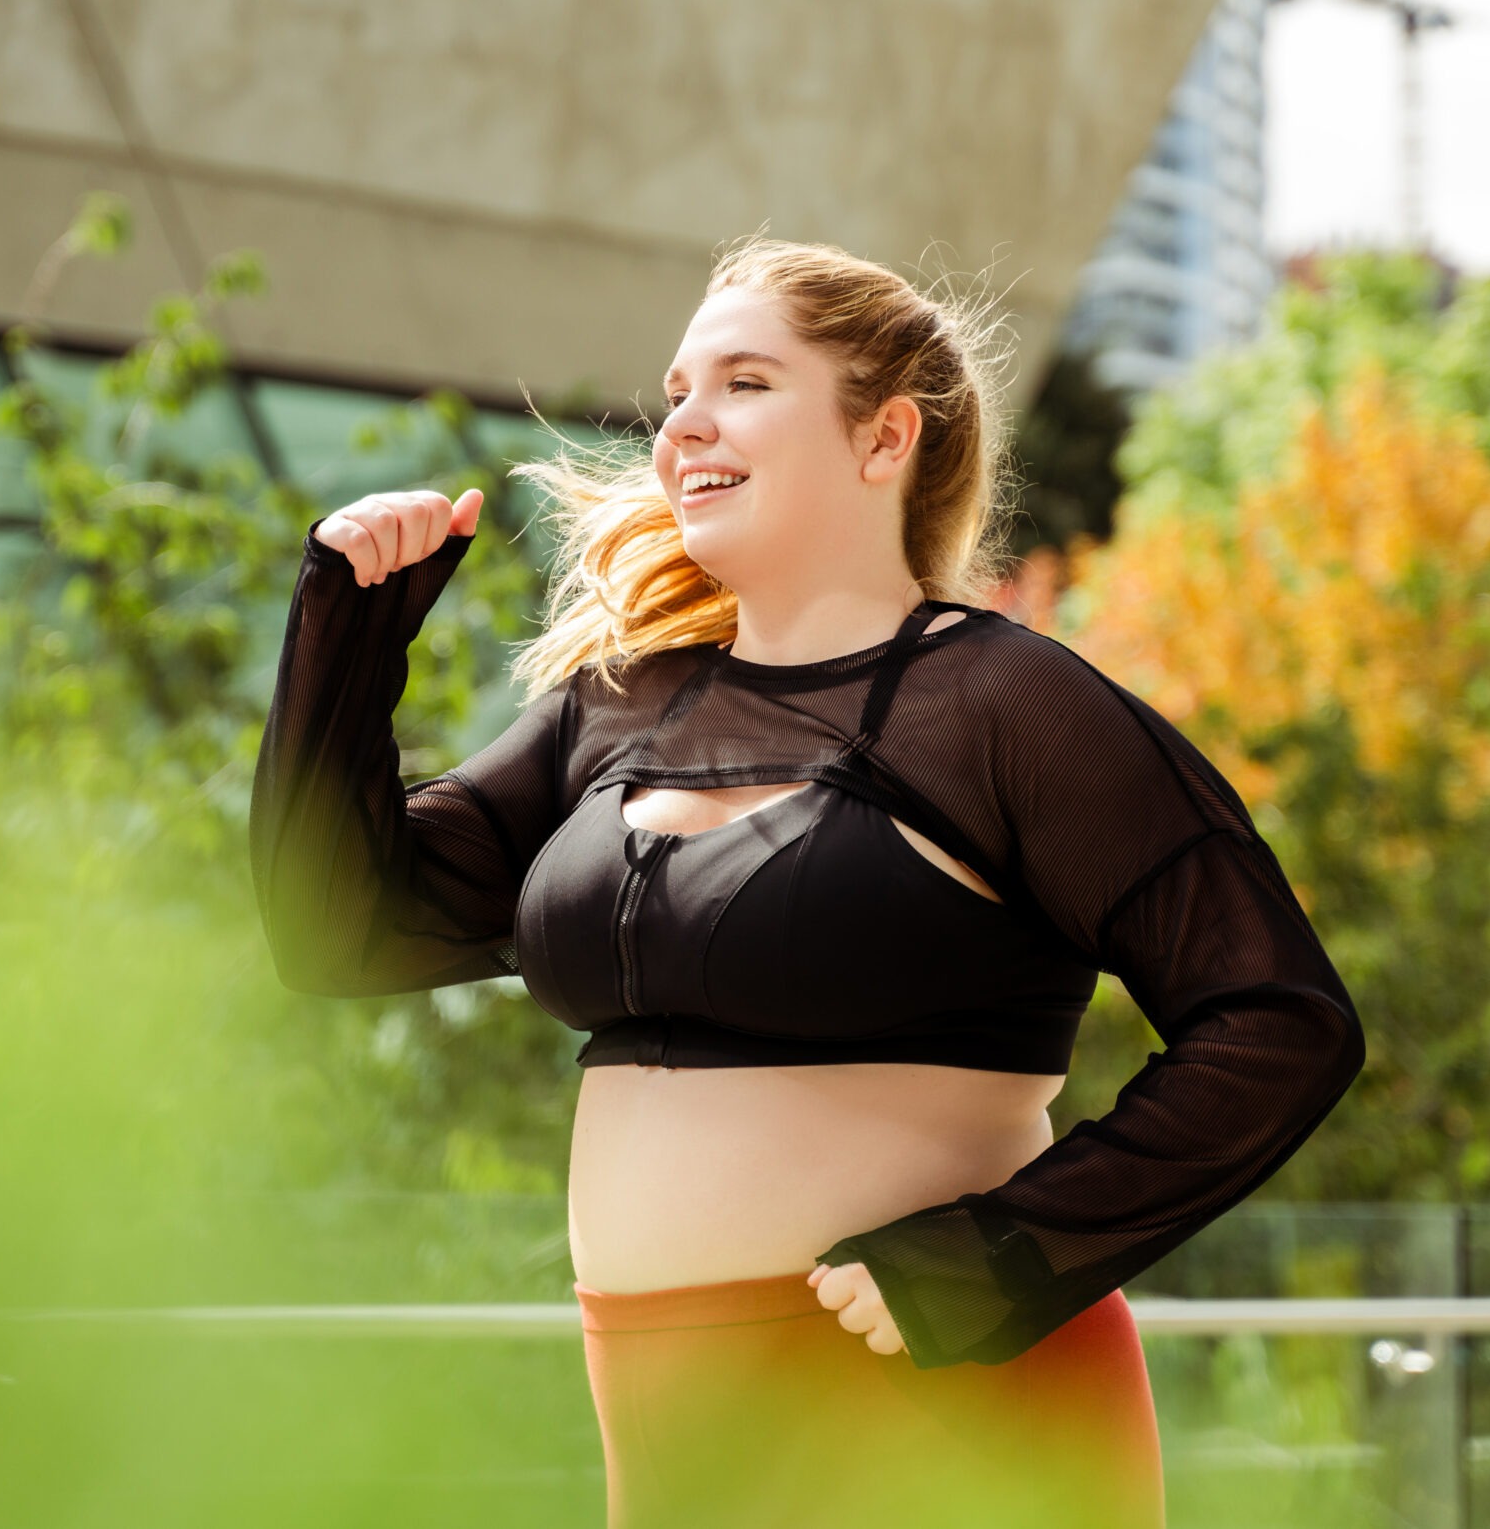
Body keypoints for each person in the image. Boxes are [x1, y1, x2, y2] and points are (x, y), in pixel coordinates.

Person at [250, 238, 1366, 1528]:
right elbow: (339, 930)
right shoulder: (619, 706)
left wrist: (1000, 1257)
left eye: (745, 381)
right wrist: (350, 631)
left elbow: (1279, 1021)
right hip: (669, 1430)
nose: (685, 425)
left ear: (883, 439)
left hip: (941, 1414)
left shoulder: (1000, 702)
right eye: (676, 391)